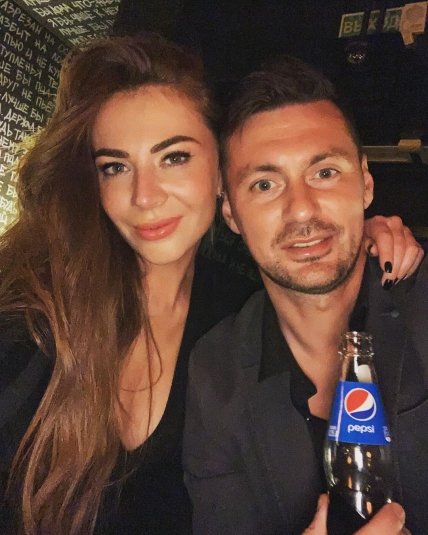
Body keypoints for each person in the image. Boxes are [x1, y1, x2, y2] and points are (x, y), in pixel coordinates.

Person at [0, 35, 420, 535]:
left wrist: (355, 234)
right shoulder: (28, 316)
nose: (145, 196)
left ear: (220, 182)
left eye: (173, 157)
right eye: (115, 167)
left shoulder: (235, 310)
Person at [183, 55, 427, 535]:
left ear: (366, 184)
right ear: (230, 213)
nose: (301, 210)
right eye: (265, 184)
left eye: (325, 173)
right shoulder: (215, 372)